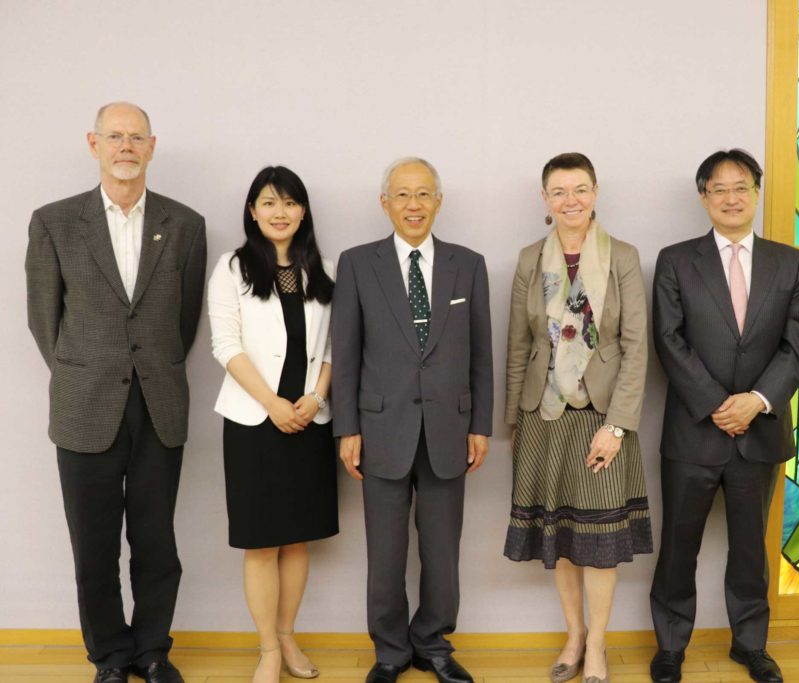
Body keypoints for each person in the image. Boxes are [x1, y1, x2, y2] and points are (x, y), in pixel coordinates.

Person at [25, 102, 206, 683]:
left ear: (152, 146)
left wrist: (145, 367)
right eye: (114, 136)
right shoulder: (54, 222)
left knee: (156, 541)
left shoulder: (185, 224)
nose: (125, 146)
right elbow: (42, 320)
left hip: (159, 405)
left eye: (136, 137)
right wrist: (86, 374)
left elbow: (186, 322)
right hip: (84, 406)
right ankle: (109, 657)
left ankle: (153, 651)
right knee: (94, 547)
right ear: (93, 143)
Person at [648, 149, 799, 683]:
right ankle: (671, 644)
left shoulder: (789, 262)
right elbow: (668, 340)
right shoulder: (676, 260)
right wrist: (719, 404)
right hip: (695, 429)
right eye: (719, 188)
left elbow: (797, 344)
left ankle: (750, 644)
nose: (731, 197)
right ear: (704, 197)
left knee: (749, 550)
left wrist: (757, 401)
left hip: (759, 430)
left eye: (741, 186)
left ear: (756, 193)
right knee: (679, 545)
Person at [332, 158, 493, 683]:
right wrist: (347, 428)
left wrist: (481, 425)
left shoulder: (467, 264)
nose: (413, 205)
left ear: (438, 202)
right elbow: (348, 352)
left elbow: (481, 354)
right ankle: (390, 651)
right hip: (381, 428)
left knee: (443, 549)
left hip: (450, 427)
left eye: (424, 194)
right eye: (402, 195)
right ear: (385, 204)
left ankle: (433, 643)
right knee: (385, 551)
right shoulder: (358, 263)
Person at [504, 152, 651, 683]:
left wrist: (616, 427)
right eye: (560, 192)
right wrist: (513, 421)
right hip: (543, 416)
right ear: (545, 200)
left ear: (596, 192)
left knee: (599, 543)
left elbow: (636, 350)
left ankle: (599, 646)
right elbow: (518, 347)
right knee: (561, 535)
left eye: (581, 189)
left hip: (601, 417)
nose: (571, 201)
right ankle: (575, 635)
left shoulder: (624, 258)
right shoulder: (528, 260)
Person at [207, 166, 337, 682]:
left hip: (308, 419)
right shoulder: (232, 268)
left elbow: (333, 348)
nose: (278, 212)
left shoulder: (323, 270)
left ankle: (288, 637)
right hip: (253, 419)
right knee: (262, 540)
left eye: (288, 203)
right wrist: (273, 403)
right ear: (252, 211)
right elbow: (225, 345)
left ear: (302, 210)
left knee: (297, 538)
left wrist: (314, 398)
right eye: (267, 203)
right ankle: (266, 650)